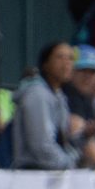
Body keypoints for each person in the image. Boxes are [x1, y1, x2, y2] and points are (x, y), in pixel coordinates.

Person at [14, 42, 85, 170]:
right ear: (45, 64)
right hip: (32, 174)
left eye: (70, 58)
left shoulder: (60, 96)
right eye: (60, 57)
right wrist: (69, 164)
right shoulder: (37, 94)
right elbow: (41, 145)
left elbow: (63, 140)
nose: (66, 63)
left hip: (52, 174)